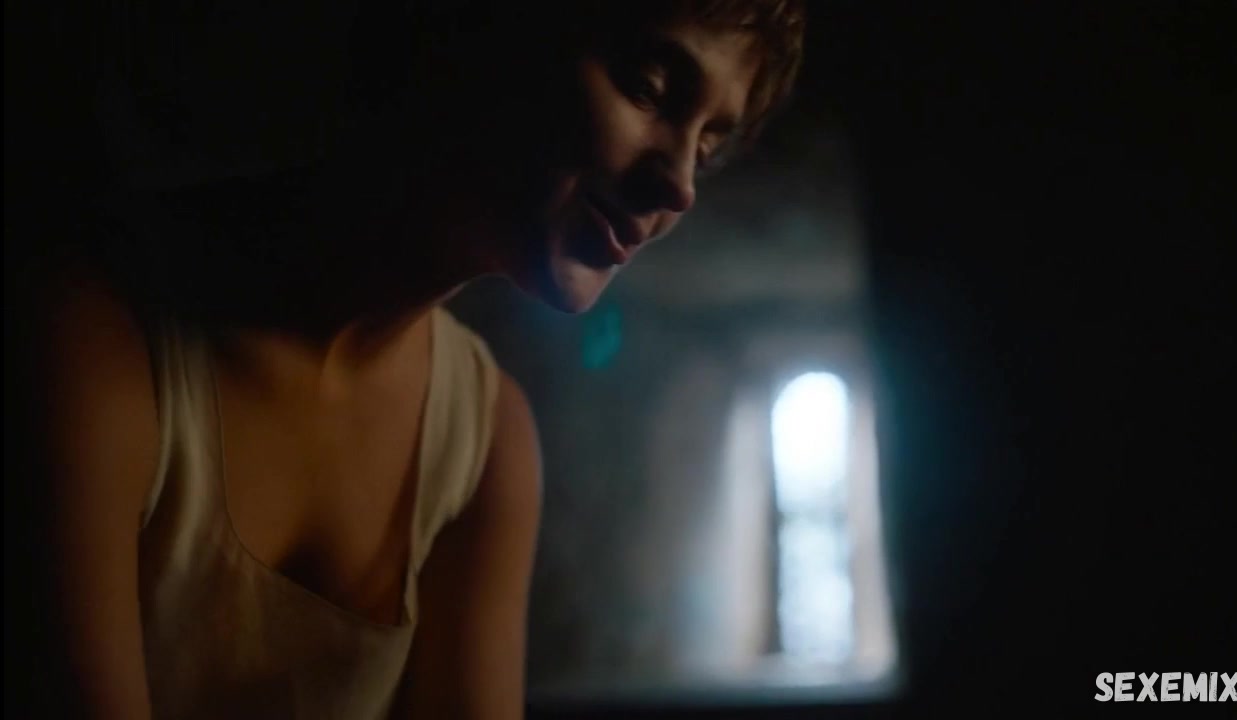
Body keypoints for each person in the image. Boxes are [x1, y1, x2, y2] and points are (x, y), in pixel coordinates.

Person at [11, 1, 805, 717]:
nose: (680, 184)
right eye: (649, 88)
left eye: (708, 147)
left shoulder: (485, 440)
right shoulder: (96, 331)